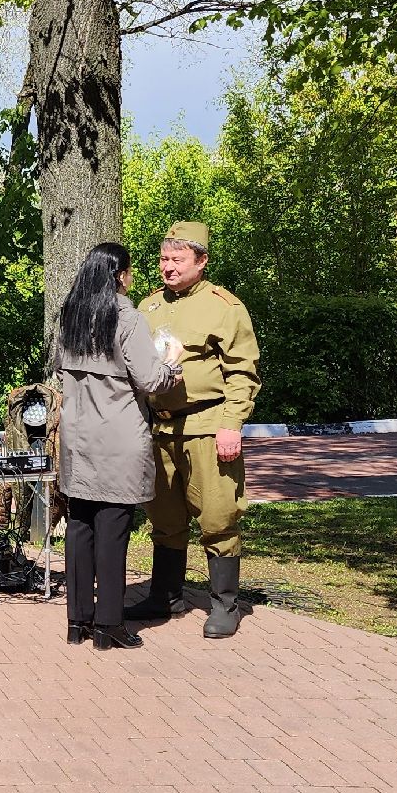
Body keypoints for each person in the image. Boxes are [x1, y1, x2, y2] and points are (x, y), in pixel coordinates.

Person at [131, 221, 262, 639]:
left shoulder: (224, 307)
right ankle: (165, 596)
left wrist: (232, 425)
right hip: (159, 428)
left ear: (201, 261)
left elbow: (242, 372)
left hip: (207, 424)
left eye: (178, 259)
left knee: (218, 515)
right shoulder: (148, 306)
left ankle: (225, 604)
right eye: (163, 259)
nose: (168, 267)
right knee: (164, 515)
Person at [55, 243, 181, 650]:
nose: (131, 278)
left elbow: (60, 369)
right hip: (118, 436)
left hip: (78, 437)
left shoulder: (70, 315)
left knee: (80, 525)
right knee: (112, 529)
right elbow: (150, 380)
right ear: (119, 275)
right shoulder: (127, 317)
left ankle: (78, 621)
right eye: (129, 272)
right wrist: (173, 363)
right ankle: (109, 623)